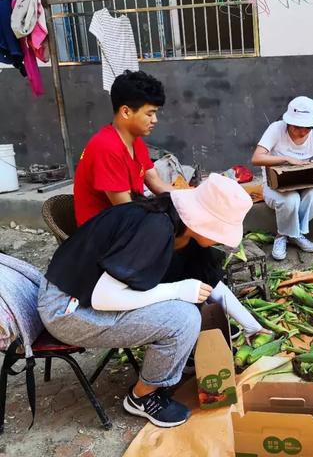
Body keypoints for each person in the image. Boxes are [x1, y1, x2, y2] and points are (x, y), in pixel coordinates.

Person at [38, 174, 270, 427]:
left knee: (192, 297)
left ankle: (177, 358)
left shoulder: (182, 229)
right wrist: (177, 291)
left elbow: (210, 284)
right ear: (202, 222)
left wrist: (251, 325)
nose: (223, 239)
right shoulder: (154, 227)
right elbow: (103, 296)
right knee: (184, 317)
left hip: (85, 297)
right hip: (68, 309)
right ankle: (141, 396)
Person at [73, 70, 175, 226]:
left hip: (127, 219)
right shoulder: (106, 147)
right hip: (101, 235)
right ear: (126, 112)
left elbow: (157, 184)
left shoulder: (137, 142)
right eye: (149, 114)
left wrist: (195, 196)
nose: (155, 120)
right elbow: (126, 210)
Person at [251, 96, 313, 260]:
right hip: (275, 185)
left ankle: (295, 233)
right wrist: (287, 159)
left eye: (308, 127)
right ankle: (282, 236)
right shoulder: (276, 129)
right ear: (289, 122)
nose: (303, 132)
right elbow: (256, 158)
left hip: (303, 184)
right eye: (298, 127)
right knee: (290, 199)